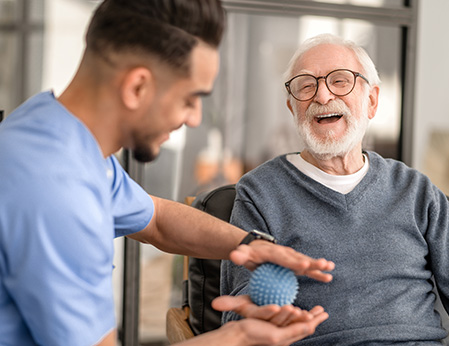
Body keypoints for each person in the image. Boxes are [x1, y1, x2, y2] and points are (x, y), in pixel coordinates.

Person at [0, 1, 337, 345]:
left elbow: (157, 219)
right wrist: (239, 337)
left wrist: (249, 246)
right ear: (137, 88)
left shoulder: (56, 136)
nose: (194, 118)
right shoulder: (56, 191)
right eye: (190, 99)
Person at [221, 33, 449, 345]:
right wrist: (265, 314)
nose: (323, 96)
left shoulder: (416, 191)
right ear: (292, 108)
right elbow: (239, 310)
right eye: (306, 85)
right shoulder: (260, 193)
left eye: (340, 81)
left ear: (371, 100)